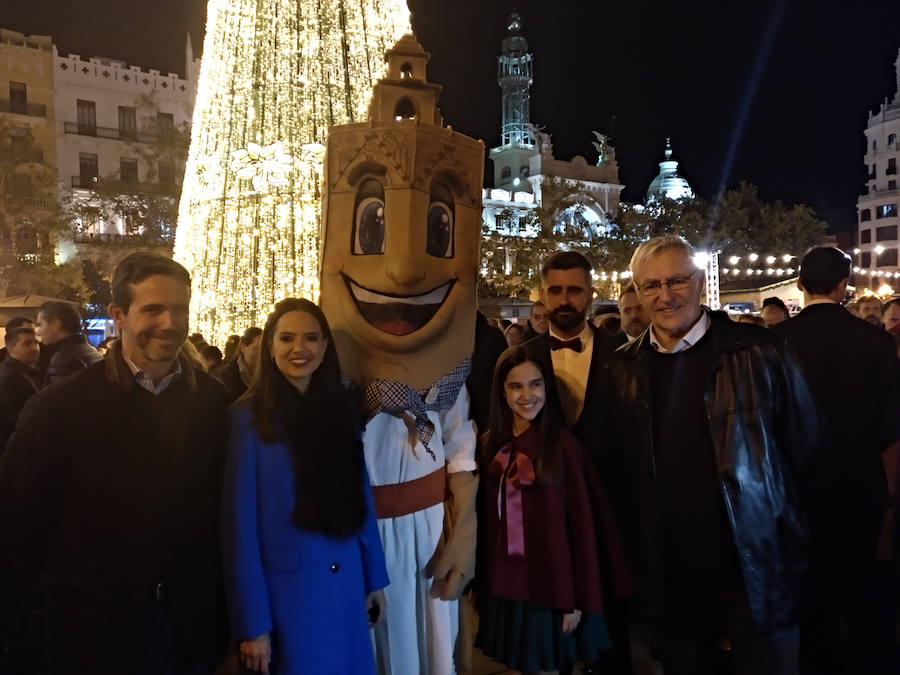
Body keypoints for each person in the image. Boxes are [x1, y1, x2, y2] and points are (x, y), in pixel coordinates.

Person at [0, 252, 231, 673]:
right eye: (153, 309)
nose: (169, 323)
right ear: (118, 315)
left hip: (191, 633)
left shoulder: (215, 404)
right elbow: (18, 524)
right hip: (93, 638)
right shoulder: (59, 409)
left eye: (179, 309)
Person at [600, 236, 821, 675]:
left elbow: (810, 458)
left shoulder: (761, 351)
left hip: (755, 579)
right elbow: (620, 478)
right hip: (673, 587)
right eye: (651, 285)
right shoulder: (621, 368)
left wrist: (796, 557)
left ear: (700, 280)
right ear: (638, 292)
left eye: (677, 280)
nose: (665, 295)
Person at [222, 298, 388, 674]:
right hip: (288, 596)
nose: (300, 349)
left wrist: (373, 577)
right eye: (287, 338)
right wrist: (253, 626)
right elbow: (239, 530)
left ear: (326, 346)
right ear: (270, 346)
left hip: (346, 583)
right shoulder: (246, 420)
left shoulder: (341, 410)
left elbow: (359, 496)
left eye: (311, 338)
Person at [773, 246, 900, 674]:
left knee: (810, 606)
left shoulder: (776, 342)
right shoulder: (878, 342)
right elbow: (891, 425)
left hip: (795, 493)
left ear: (800, 284)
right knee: (865, 599)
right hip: (860, 489)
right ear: (843, 286)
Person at [475, 343, 633, 675]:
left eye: (535, 384)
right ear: (501, 392)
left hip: (552, 589)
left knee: (547, 666)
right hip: (507, 584)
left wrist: (576, 600)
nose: (526, 395)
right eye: (515, 386)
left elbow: (583, 533)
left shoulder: (565, 449)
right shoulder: (492, 446)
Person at [537, 250, 629, 673]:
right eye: (556, 290)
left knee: (611, 635)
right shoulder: (519, 358)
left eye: (574, 290)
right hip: (544, 515)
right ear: (542, 294)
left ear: (591, 294)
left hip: (611, 510)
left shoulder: (625, 354)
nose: (564, 299)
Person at [34, 300, 102, 385]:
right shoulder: (91, 351)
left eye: (40, 325)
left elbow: (61, 397)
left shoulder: (64, 361)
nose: (38, 332)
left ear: (55, 324)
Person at [0, 325, 41, 454]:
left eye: (36, 343)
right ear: (11, 347)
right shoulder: (13, 377)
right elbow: (20, 420)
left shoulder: (25, 371)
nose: (35, 348)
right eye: (27, 344)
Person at [216, 326, 263, 403]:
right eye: (257, 349)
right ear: (243, 348)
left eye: (265, 349)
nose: (262, 354)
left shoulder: (270, 373)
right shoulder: (226, 375)